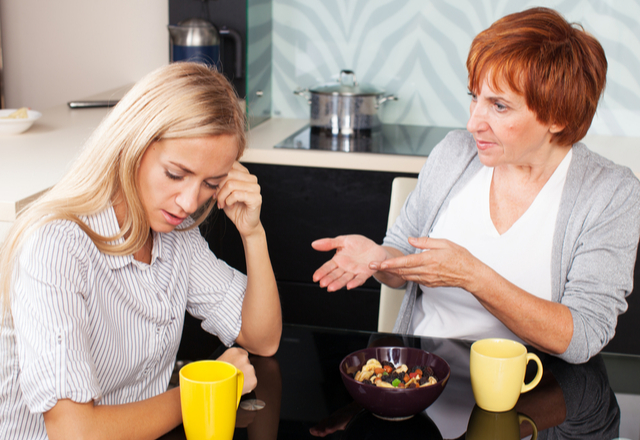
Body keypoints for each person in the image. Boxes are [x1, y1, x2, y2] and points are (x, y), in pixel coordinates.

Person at [312, 7, 640, 364]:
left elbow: (583, 336)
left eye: (499, 106)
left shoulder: (610, 193)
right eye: (474, 97)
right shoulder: (453, 153)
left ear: (557, 116)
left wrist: (473, 276)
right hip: (423, 382)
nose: (473, 123)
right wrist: (381, 259)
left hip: (537, 402)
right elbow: (401, 258)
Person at [0, 62, 282, 439]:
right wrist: (207, 389)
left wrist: (253, 234)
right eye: (175, 174)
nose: (188, 201)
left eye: (210, 184)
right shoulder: (56, 246)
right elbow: (74, 433)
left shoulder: (175, 234)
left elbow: (262, 337)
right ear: (133, 144)